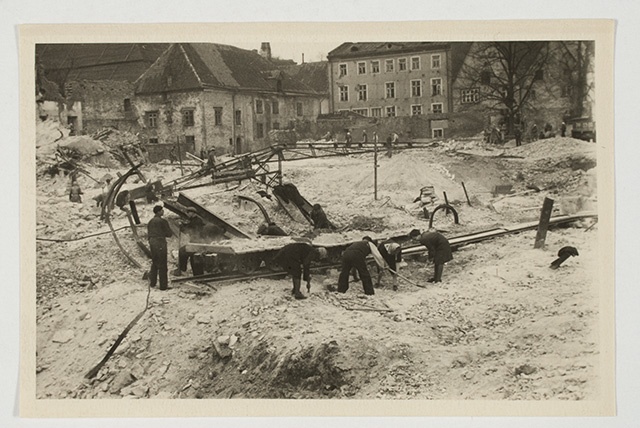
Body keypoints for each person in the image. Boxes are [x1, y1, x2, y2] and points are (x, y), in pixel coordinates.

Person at [173, 207, 205, 277]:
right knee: (189, 255)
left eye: (188, 212)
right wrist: (183, 225)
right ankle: (195, 274)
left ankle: (183, 269)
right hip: (195, 241)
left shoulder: (197, 221)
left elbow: (189, 230)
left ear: (192, 213)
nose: (187, 214)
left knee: (183, 251)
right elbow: (188, 227)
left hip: (197, 242)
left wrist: (181, 226)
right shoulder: (194, 220)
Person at [148, 205, 173, 290]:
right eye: (162, 210)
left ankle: (152, 283)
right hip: (160, 242)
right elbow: (169, 234)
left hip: (152, 242)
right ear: (158, 212)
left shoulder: (150, 221)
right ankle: (163, 286)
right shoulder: (163, 221)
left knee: (155, 262)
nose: (163, 212)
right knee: (162, 264)